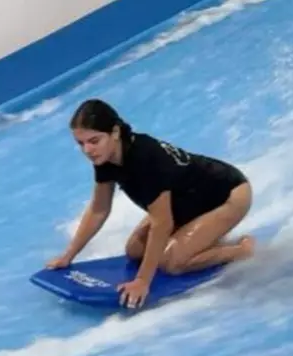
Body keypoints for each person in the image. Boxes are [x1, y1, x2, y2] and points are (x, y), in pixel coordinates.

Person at [46, 99, 255, 308]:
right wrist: (68, 256)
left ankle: (241, 250)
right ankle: (202, 240)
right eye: (81, 143)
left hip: (227, 196)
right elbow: (99, 209)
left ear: (115, 132)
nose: (88, 150)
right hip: (185, 203)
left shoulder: (145, 159)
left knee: (173, 263)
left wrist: (142, 281)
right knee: (135, 250)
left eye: (94, 140)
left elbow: (162, 223)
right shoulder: (105, 158)